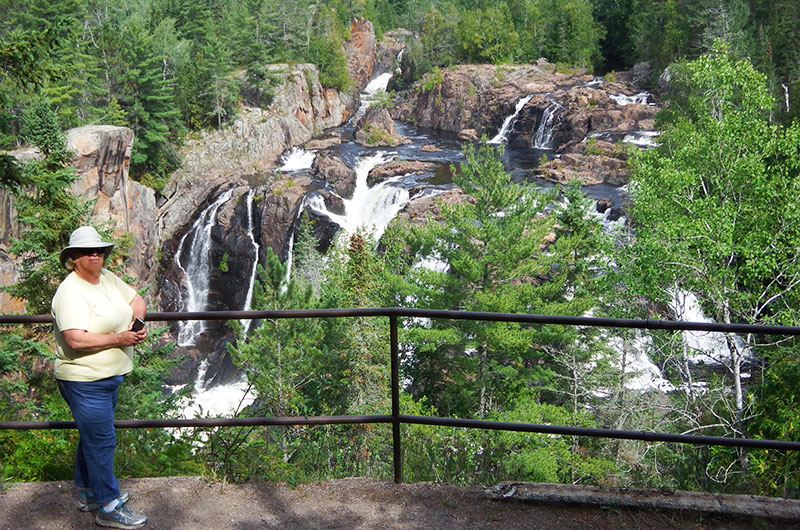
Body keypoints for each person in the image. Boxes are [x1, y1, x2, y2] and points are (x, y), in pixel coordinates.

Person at [51, 226, 149, 529]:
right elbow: (76, 340)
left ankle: (90, 492)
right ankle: (108, 506)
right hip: (84, 380)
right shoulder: (70, 291)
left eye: (99, 250)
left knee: (92, 438)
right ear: (73, 258)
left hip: (109, 376)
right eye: (86, 251)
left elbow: (137, 300)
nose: (95, 255)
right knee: (103, 442)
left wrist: (137, 324)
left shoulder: (105, 278)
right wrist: (119, 338)